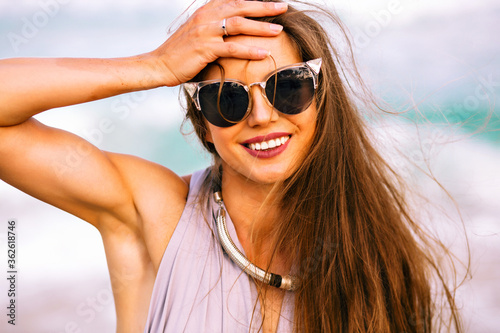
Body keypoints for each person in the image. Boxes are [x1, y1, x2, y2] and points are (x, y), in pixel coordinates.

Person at [0, 0, 462, 332]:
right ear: (203, 125)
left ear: (322, 99)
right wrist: (154, 65)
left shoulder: (374, 259)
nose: (261, 116)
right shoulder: (155, 214)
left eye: (289, 87)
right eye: (228, 99)